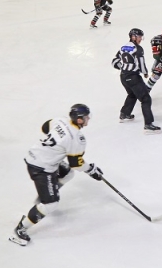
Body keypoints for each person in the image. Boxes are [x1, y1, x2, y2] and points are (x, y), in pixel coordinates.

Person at [9, 104, 105, 246]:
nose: (88, 119)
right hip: (42, 167)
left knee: (67, 173)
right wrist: (91, 170)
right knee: (51, 204)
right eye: (85, 117)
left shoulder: (61, 120)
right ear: (79, 120)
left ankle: (45, 194)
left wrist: (58, 146)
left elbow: (45, 127)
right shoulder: (77, 139)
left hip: (35, 155)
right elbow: (76, 163)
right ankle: (20, 230)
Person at [112, 28, 160, 133]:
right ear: (133, 37)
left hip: (123, 77)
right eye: (139, 37)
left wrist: (124, 67)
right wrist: (145, 73)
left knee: (132, 94)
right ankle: (148, 124)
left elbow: (114, 62)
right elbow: (141, 63)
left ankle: (124, 114)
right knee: (146, 99)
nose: (140, 39)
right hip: (133, 77)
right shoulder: (138, 48)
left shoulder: (123, 46)